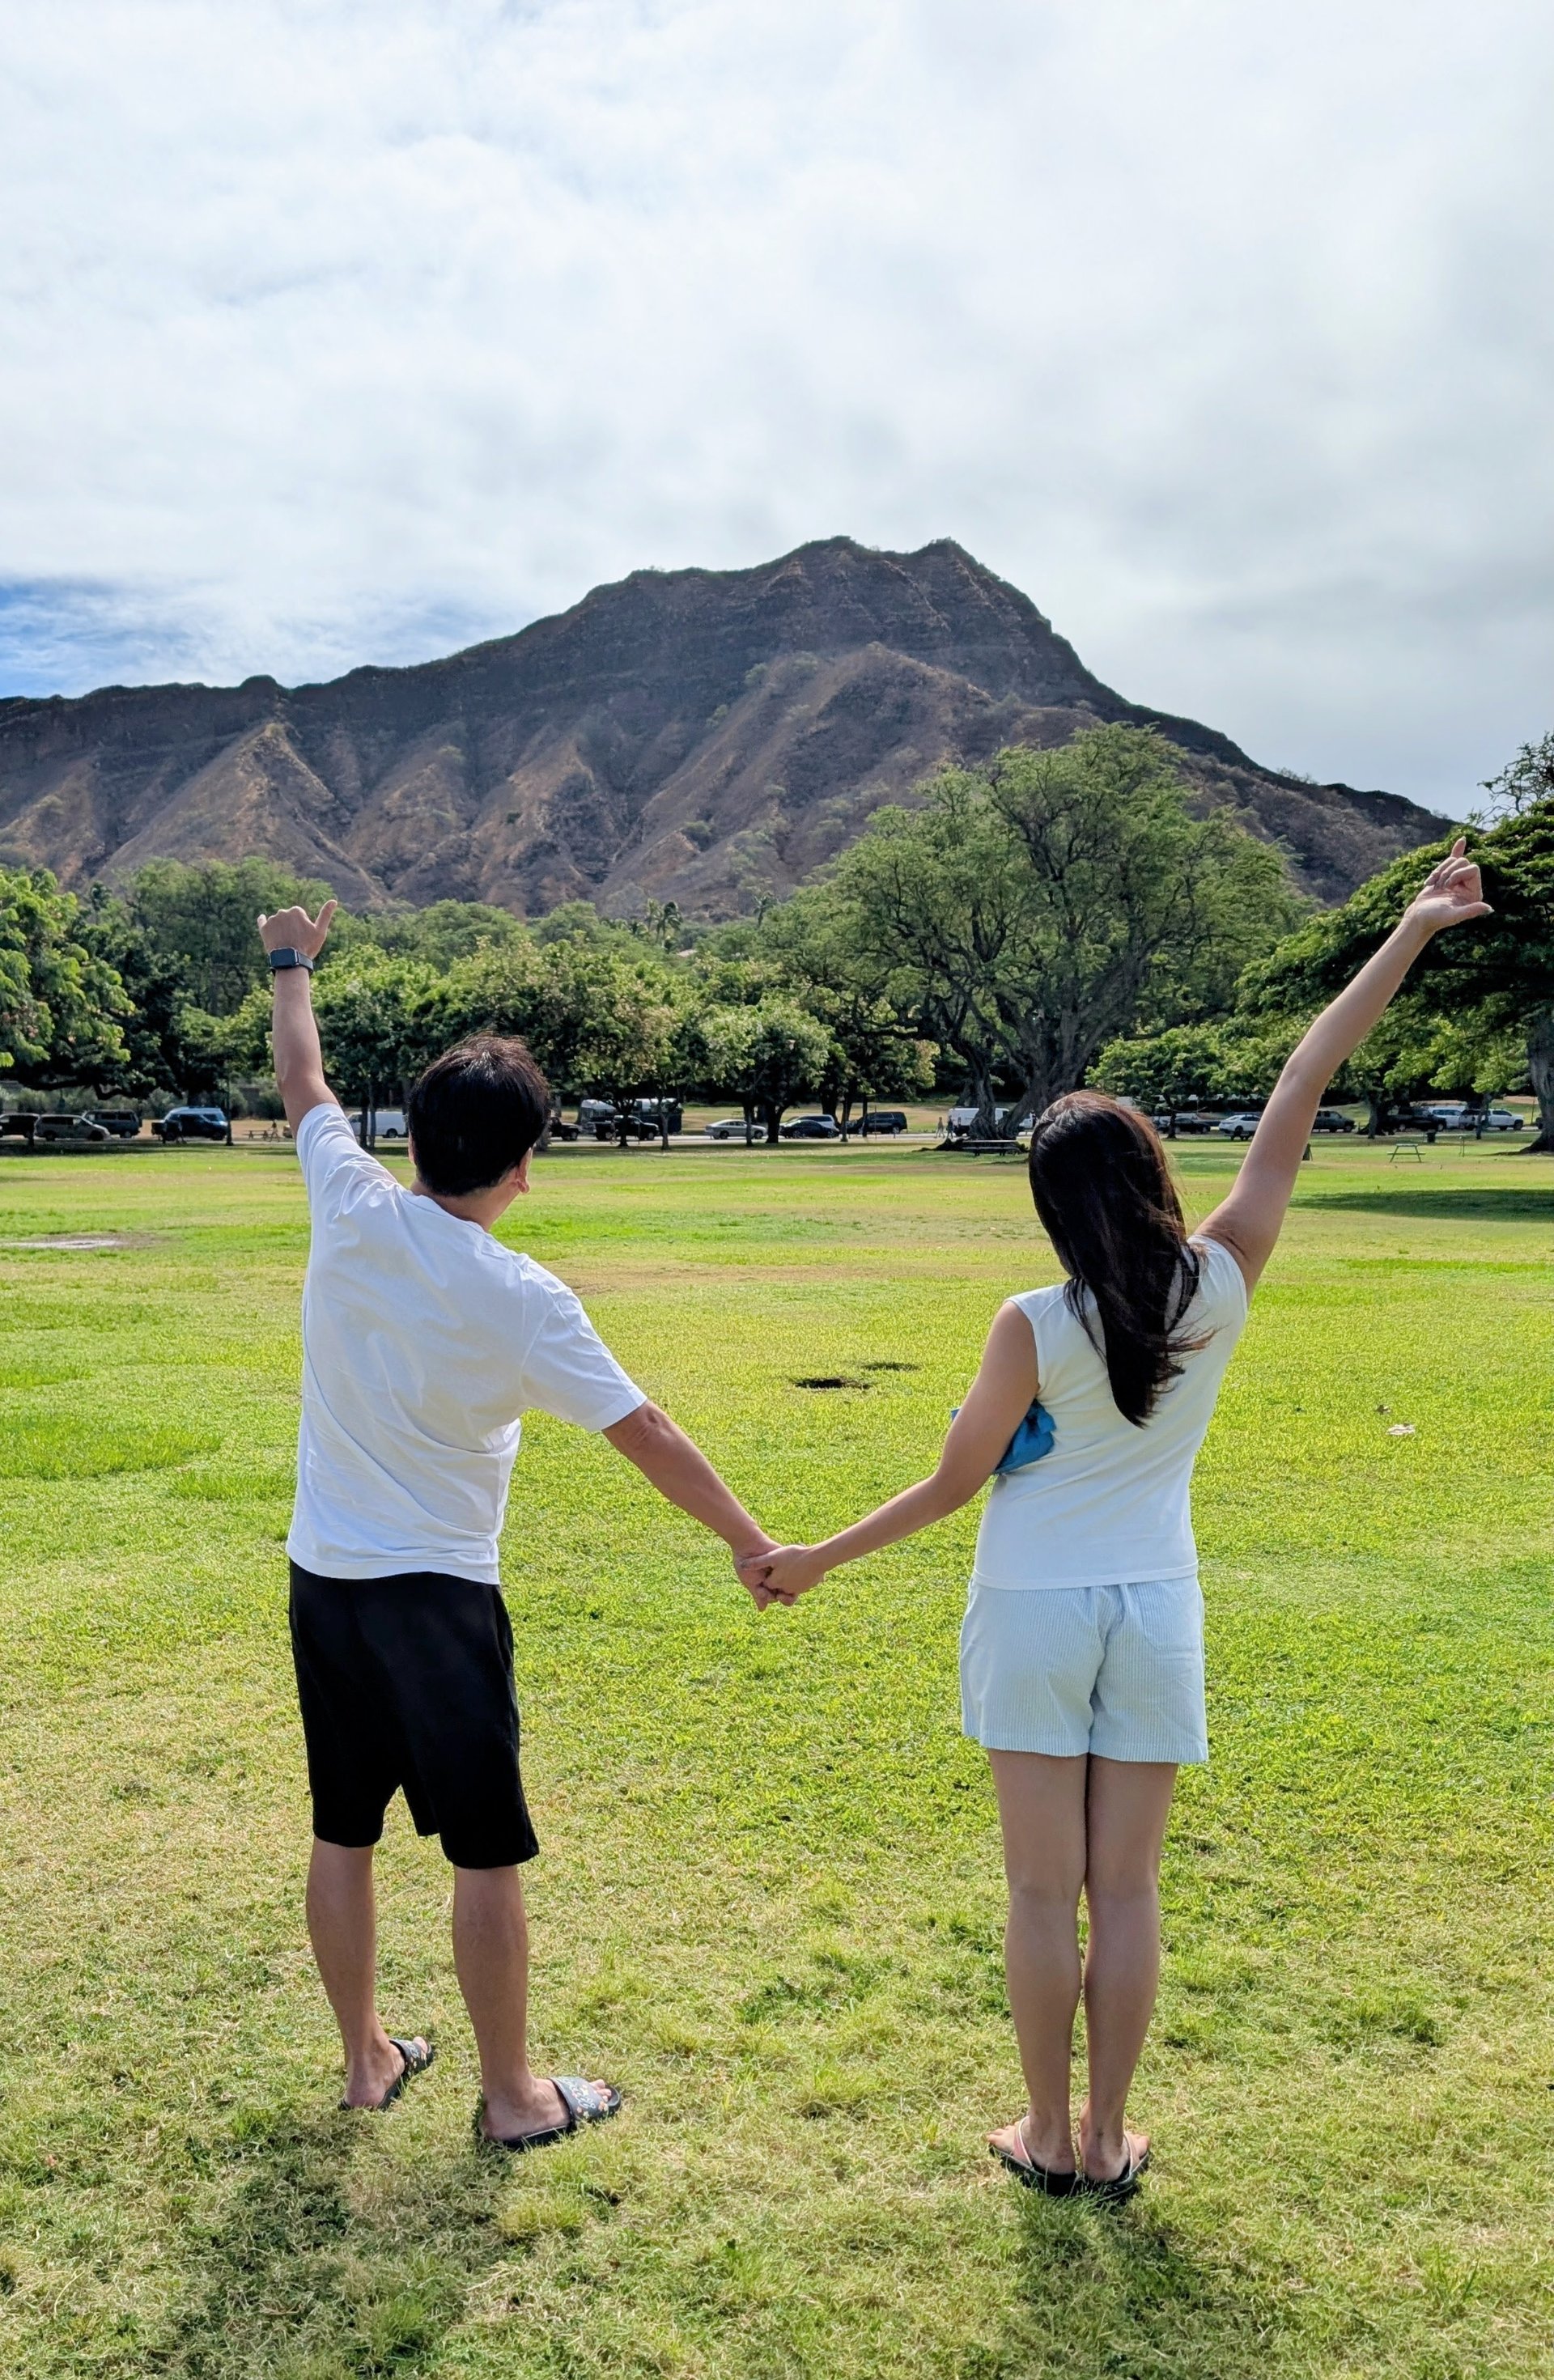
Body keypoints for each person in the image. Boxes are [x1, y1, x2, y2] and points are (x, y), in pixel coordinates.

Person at [749, 840, 1489, 2198]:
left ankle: (1047, 2136)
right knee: (1130, 1889)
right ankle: (1106, 2135)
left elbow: (950, 1484)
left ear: (1050, 1207)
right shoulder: (1221, 1280)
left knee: (1042, 1892)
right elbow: (1302, 1081)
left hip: (1033, 1608)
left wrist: (814, 1559)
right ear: (1154, 1171)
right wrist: (1413, 929)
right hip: (1154, 1605)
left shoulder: (1031, 1324)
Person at [258, 899, 776, 2152]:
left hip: (324, 1583)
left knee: (342, 1827)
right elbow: (646, 1431)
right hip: (438, 1600)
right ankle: (511, 2097)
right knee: (484, 1850)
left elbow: (303, 1078)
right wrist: (747, 1539)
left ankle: (367, 2059)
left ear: (414, 1137)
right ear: (523, 1165)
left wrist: (289, 965)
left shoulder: (350, 1200)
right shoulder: (525, 1297)